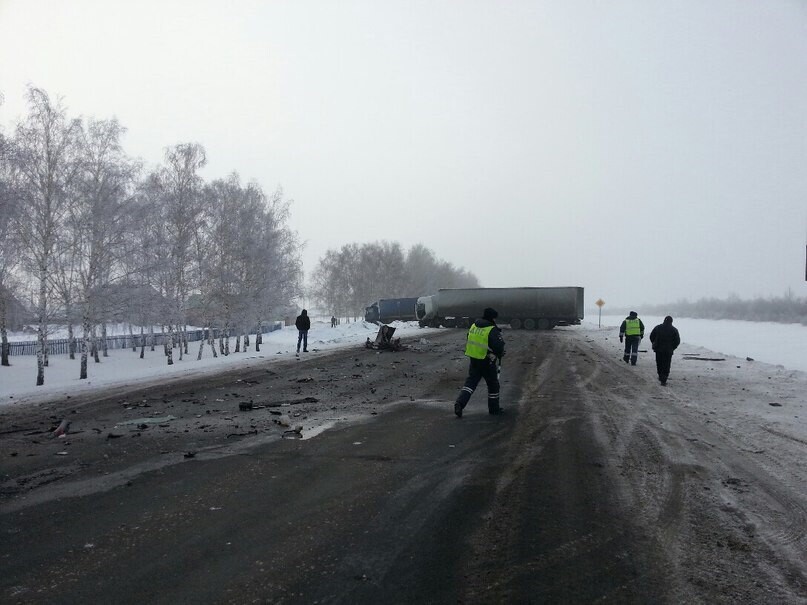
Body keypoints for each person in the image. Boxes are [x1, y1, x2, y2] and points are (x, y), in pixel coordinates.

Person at [454, 307, 506, 418]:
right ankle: (494, 409)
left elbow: (470, 338)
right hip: (487, 361)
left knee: (470, 384)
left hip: (474, 359)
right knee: (493, 385)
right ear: (492, 317)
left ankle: (460, 403)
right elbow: (498, 346)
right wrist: (500, 352)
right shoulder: (491, 329)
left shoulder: (474, 325)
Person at [649, 315, 681, 386]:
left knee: (659, 363)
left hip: (658, 349)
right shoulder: (674, 330)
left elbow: (651, 336)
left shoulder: (658, 328)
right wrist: (673, 347)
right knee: (666, 364)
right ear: (671, 322)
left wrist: (654, 343)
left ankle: (660, 375)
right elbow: (677, 341)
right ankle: (664, 377)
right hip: (668, 350)